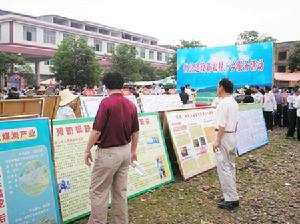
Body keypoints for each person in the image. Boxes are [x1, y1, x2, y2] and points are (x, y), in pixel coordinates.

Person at [84, 72, 139, 224]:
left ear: (105, 85)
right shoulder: (131, 104)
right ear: (122, 85)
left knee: (99, 191)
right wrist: (133, 151)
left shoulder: (106, 103)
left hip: (108, 153)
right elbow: (135, 132)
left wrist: (87, 150)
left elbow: (96, 131)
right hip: (125, 151)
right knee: (120, 191)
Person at [213, 78, 239, 210]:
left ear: (222, 87)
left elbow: (221, 124)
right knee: (230, 166)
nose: (217, 89)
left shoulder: (224, 103)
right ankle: (230, 194)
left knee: (224, 167)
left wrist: (217, 140)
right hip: (232, 135)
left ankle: (231, 198)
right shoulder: (233, 102)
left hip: (223, 136)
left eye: (218, 86)